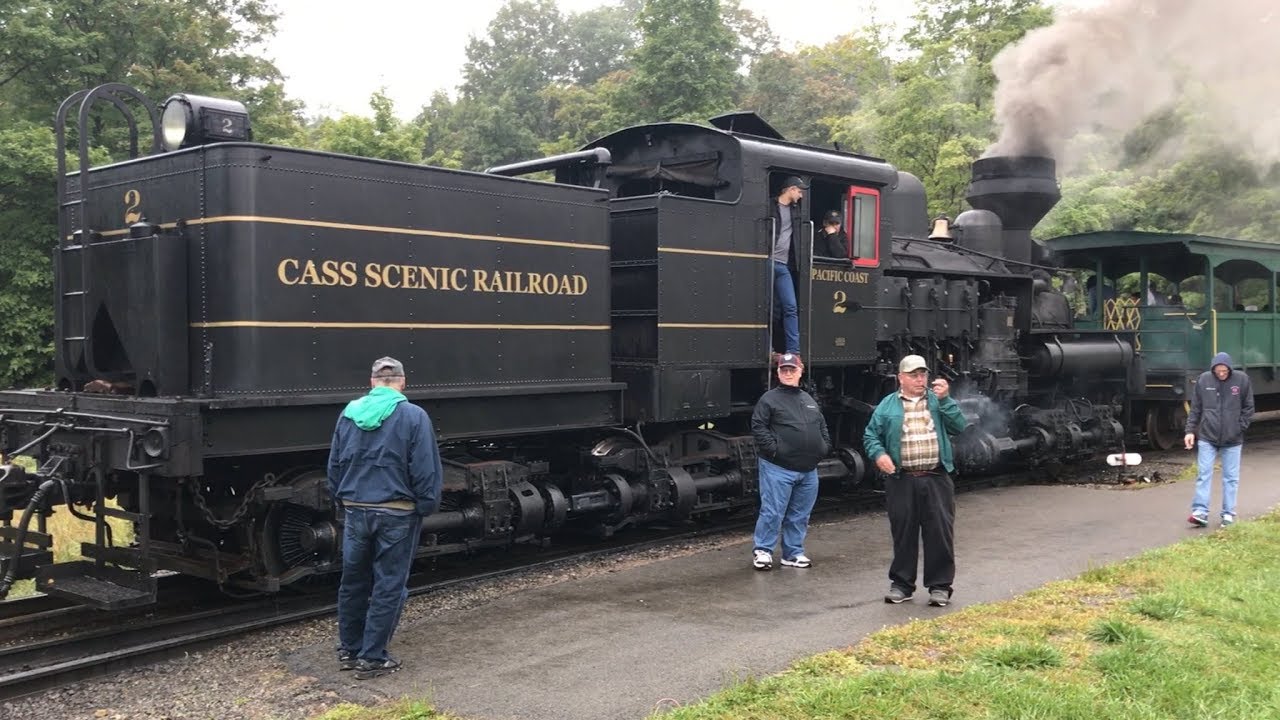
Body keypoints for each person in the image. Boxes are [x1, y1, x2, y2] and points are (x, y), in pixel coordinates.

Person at [328, 356, 444, 679]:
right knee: (389, 584)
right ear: (402, 383)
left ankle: (349, 650)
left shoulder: (348, 414)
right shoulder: (413, 416)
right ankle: (373, 658)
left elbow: (334, 466)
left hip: (356, 510)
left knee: (352, 581)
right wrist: (426, 505)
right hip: (396, 512)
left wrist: (343, 499)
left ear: (372, 382)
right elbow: (424, 469)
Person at [862, 355, 969, 607]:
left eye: (923, 374)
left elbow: (959, 426)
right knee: (903, 533)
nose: (920, 379)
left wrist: (946, 400)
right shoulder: (887, 406)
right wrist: (879, 455)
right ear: (900, 378)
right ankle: (901, 584)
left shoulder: (937, 401)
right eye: (914, 375)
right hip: (902, 479)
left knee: (940, 533)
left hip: (936, 477)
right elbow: (870, 436)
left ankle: (940, 586)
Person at [750, 352, 830, 570]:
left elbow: (822, 426)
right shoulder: (769, 399)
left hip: (808, 469)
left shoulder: (808, 399)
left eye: (791, 370)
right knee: (773, 511)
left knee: (800, 514)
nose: (788, 373)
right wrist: (775, 451)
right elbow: (758, 426)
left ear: (800, 371)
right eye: (784, 370)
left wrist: (823, 447)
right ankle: (763, 550)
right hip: (779, 467)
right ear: (778, 373)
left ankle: (792, 553)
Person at [1183, 352, 1254, 528]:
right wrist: (1190, 431)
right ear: (1213, 369)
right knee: (1203, 474)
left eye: (1224, 371)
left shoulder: (1242, 380)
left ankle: (1228, 514)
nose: (1221, 374)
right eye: (1218, 371)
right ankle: (1200, 512)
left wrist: (1239, 427)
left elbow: (1248, 406)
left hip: (1233, 439)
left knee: (1230, 478)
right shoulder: (1204, 380)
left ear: (1229, 369)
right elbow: (1196, 408)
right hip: (1208, 436)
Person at [771, 176, 806, 360]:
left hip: (783, 265)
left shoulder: (796, 211)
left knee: (791, 306)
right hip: (767, 261)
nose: (800, 196)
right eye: (799, 191)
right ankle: (768, 347)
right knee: (767, 308)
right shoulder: (770, 207)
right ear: (790, 189)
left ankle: (793, 350)